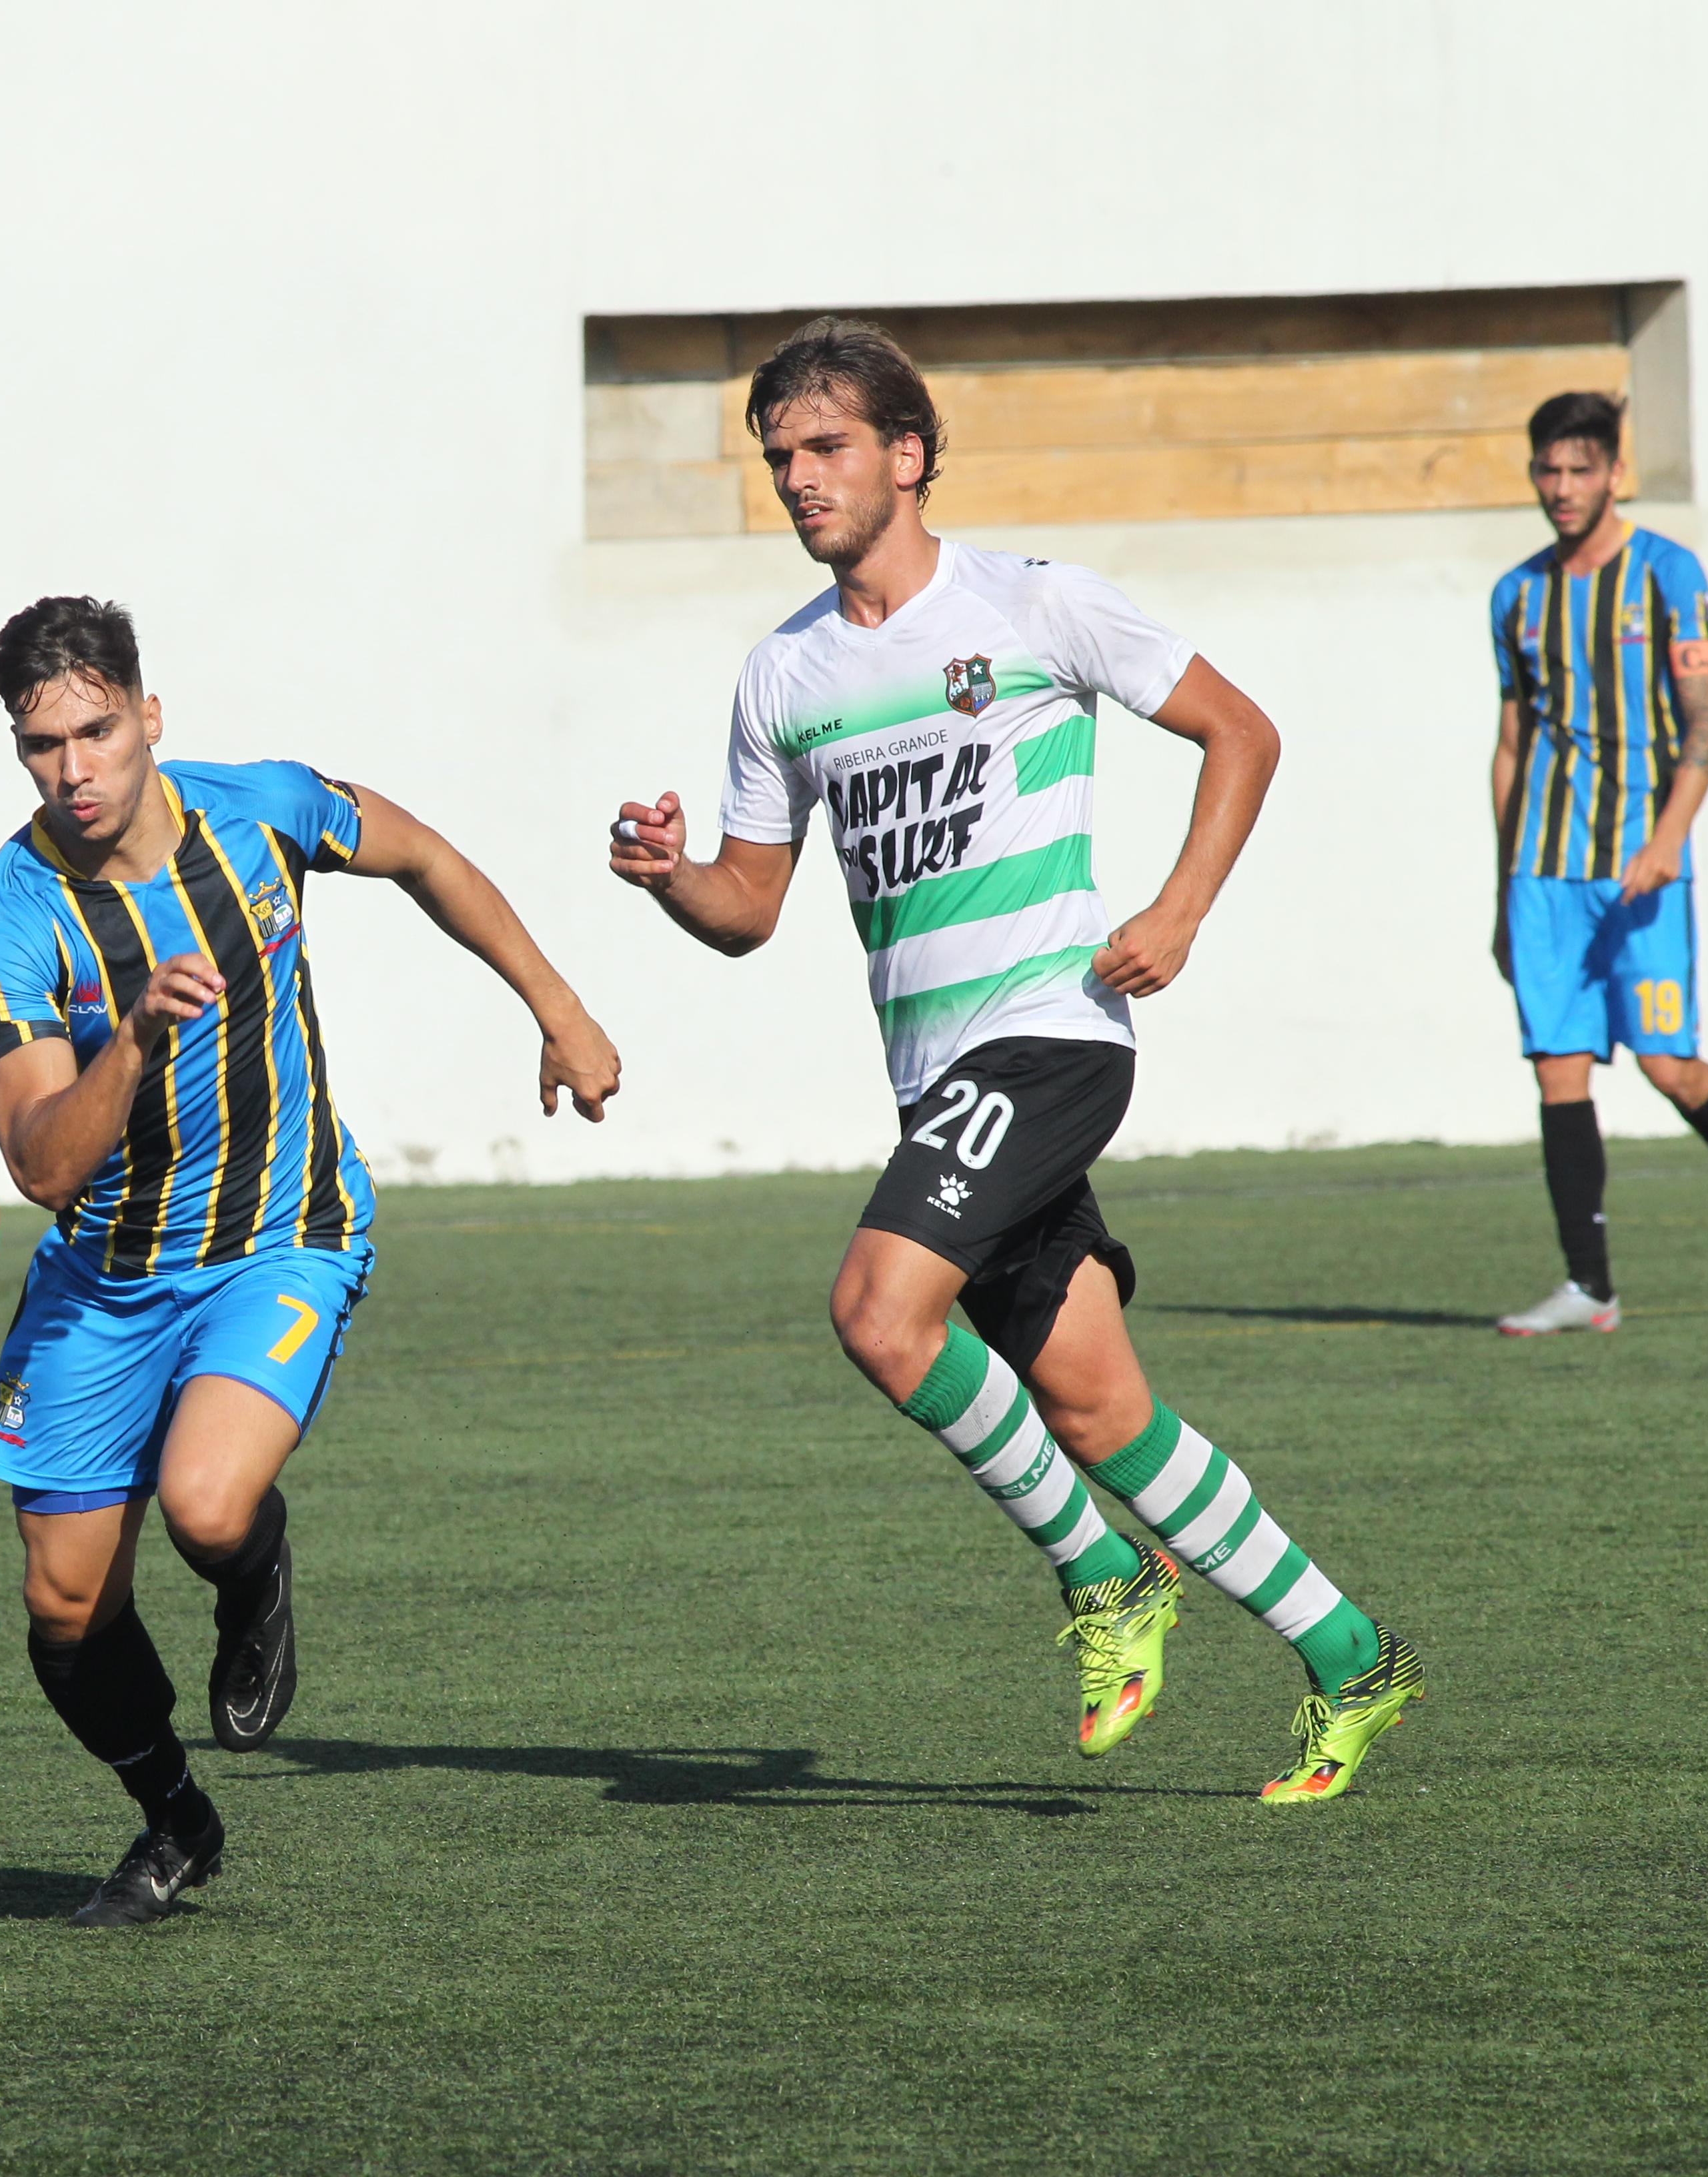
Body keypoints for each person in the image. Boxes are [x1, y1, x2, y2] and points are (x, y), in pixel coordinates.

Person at [607, 317, 1423, 1806]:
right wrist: (667, 875)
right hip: (942, 1089)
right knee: (1100, 1408)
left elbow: (1242, 732)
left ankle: (1109, 1576)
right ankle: (1352, 1655)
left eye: (828, 447)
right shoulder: (782, 677)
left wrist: (1177, 912)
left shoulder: (1036, 606)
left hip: (1049, 1044)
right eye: (779, 456)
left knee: (876, 1308)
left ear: (908, 456)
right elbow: (748, 910)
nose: (799, 478)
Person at [0, 596, 621, 1924]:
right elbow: (40, 1164)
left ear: (150, 719)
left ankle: (253, 1570)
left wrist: (558, 1007)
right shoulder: (16, 914)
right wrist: (134, 1038)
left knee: (207, 1505)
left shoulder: (262, 811)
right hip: (105, 1279)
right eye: (43, 747)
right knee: (60, 1605)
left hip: (285, 1233)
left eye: (97, 731)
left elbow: (425, 855)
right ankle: (173, 1821)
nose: (74, 769)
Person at [1487, 391, 1708, 1335]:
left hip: (1642, 870)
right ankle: (1590, 1286)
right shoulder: (1517, 595)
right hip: (1544, 873)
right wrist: (1502, 890)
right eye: (1549, 470)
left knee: (1669, 1065)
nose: (1563, 488)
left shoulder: (1669, 576)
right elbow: (1511, 745)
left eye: (1582, 471)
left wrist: (1669, 839)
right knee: (1558, 1069)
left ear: (1616, 474)